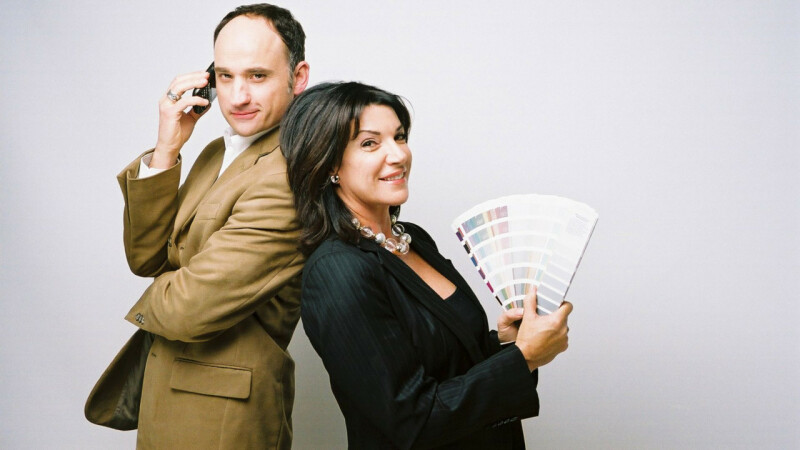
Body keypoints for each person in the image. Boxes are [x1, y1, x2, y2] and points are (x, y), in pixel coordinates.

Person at [280, 81, 573, 449]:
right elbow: (411, 420)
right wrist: (523, 357)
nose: (398, 155)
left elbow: (449, 363)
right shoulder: (337, 271)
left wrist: (508, 343)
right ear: (328, 164)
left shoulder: (414, 239)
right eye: (370, 143)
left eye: (399, 137)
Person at [85, 4, 309, 449]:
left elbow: (189, 309)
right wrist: (167, 148)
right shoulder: (215, 153)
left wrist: (165, 289)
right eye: (225, 76)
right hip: (168, 394)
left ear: (297, 77)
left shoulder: (291, 173)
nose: (237, 96)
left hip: (224, 416)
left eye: (258, 76)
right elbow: (146, 257)